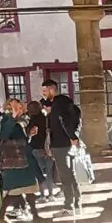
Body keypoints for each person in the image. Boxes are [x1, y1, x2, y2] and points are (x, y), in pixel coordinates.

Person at [0, 97, 42, 223]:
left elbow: (21, 139)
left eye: (21, 107)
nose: (21, 110)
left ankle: (35, 215)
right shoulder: (6, 119)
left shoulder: (21, 121)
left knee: (29, 189)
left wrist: (29, 135)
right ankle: (1, 214)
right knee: (14, 190)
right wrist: (13, 117)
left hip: (23, 158)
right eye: (17, 108)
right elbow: (4, 135)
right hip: (14, 161)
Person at [40, 77, 82, 214]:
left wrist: (72, 137)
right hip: (67, 143)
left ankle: (69, 206)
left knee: (65, 176)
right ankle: (77, 202)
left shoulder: (58, 105)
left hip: (61, 144)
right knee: (71, 174)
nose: (44, 94)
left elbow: (64, 122)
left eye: (45, 91)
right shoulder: (66, 103)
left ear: (52, 89)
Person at [25, 98, 56, 201]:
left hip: (36, 149)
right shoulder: (47, 118)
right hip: (48, 148)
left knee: (39, 174)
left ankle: (42, 195)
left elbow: (29, 133)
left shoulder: (32, 120)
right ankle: (51, 194)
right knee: (49, 172)